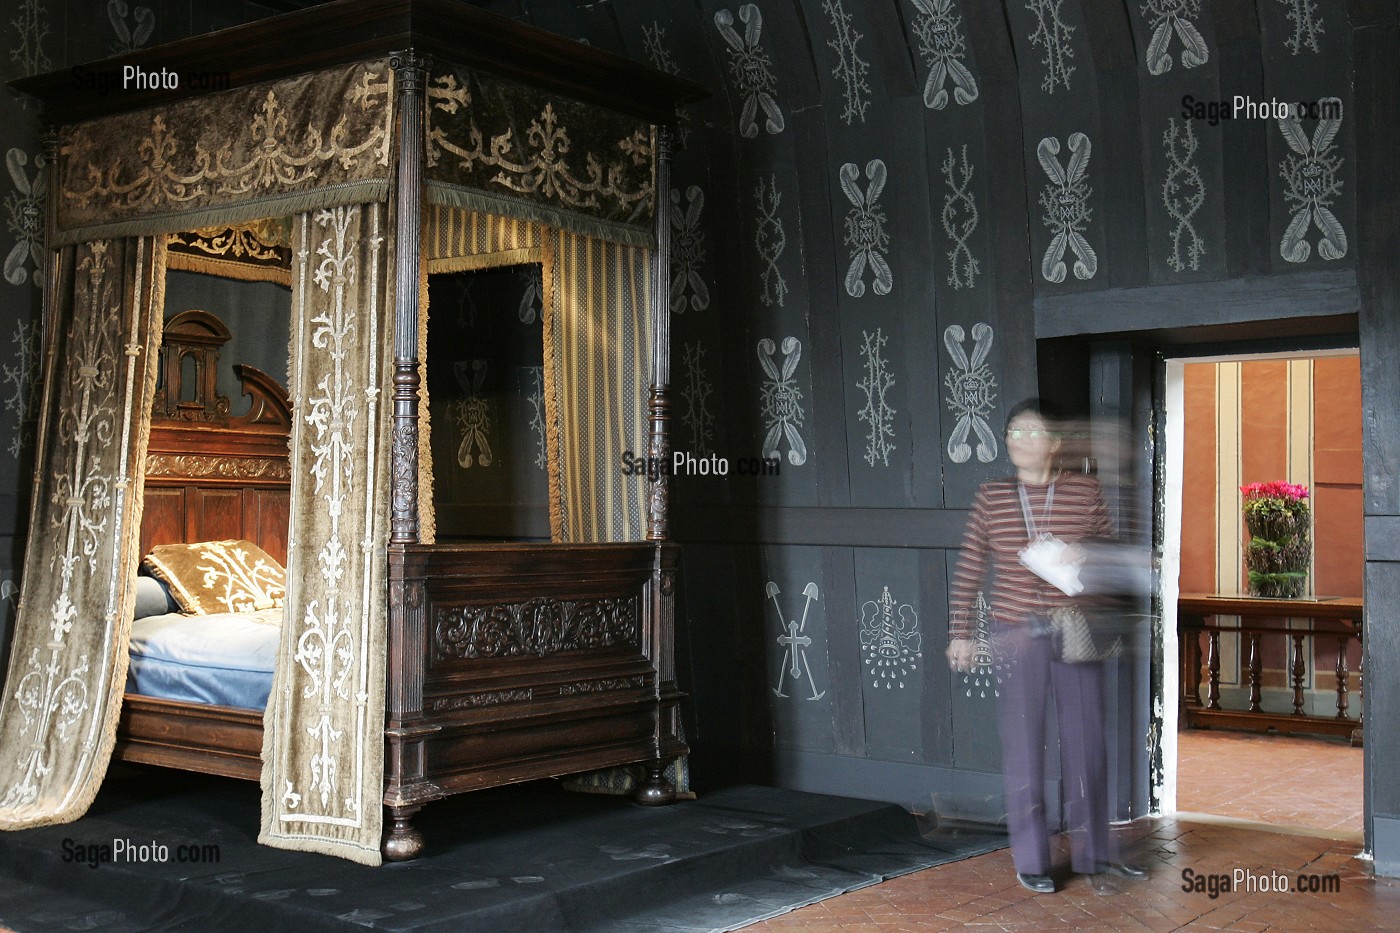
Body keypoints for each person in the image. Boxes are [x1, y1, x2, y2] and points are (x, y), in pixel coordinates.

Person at [945, 398, 1145, 894]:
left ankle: (1094, 854)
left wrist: (1089, 552)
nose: (1019, 440)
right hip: (1016, 633)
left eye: (1031, 432)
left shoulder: (1084, 490)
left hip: (1076, 629)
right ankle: (1032, 859)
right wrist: (960, 632)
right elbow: (970, 567)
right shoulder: (991, 496)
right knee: (1024, 748)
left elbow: (1109, 553)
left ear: (1055, 443)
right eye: (1013, 431)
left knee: (1088, 747)